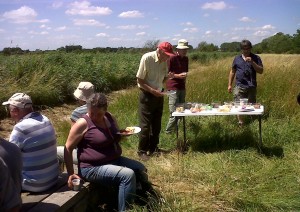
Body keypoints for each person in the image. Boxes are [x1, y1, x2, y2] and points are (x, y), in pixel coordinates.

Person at [64, 93, 149, 212]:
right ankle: (125, 209)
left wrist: (123, 136)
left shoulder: (109, 117)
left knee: (141, 168)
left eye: (98, 114)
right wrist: (70, 173)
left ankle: (139, 198)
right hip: (92, 167)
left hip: (114, 160)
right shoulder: (83, 123)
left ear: (105, 110)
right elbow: (67, 148)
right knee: (127, 175)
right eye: (91, 112)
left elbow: (116, 137)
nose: (94, 116)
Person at [2, 93, 59, 192]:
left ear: (15, 111)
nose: (9, 113)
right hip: (53, 179)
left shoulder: (20, 128)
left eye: (9, 110)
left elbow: (10, 159)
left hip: (33, 184)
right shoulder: (45, 119)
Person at [136, 41, 175, 161]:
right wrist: (153, 91)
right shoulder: (147, 58)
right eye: (166, 54)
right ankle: (142, 150)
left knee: (157, 124)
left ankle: (153, 148)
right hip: (147, 95)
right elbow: (140, 80)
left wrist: (169, 77)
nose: (168, 57)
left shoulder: (164, 61)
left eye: (169, 55)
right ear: (159, 51)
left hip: (159, 94)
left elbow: (162, 78)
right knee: (146, 125)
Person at [57, 81, 95, 165]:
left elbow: (73, 140)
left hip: (85, 154)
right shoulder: (99, 108)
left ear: (80, 98)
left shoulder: (77, 113)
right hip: (101, 151)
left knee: (56, 151)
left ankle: (62, 176)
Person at [228, 39, 264, 126]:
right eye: (244, 49)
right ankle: (241, 123)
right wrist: (229, 84)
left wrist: (252, 62)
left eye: (248, 48)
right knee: (238, 104)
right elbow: (232, 71)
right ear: (241, 49)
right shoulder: (237, 58)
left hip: (251, 86)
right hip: (239, 85)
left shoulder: (256, 58)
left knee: (251, 105)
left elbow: (261, 71)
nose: (246, 50)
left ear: (251, 48)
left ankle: (253, 122)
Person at [165, 39, 190, 134]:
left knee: (181, 110)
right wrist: (178, 76)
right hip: (172, 87)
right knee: (174, 111)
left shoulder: (186, 59)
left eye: (185, 49)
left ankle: (177, 130)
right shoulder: (172, 58)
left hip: (182, 87)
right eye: (182, 49)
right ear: (178, 49)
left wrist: (184, 78)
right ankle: (168, 131)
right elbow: (167, 74)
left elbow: (185, 72)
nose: (184, 51)